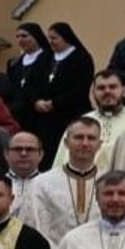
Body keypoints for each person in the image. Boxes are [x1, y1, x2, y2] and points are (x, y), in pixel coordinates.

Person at [24, 118, 103, 247]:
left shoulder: (109, 182)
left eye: (91, 138)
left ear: (99, 144)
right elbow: (35, 226)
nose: (85, 143)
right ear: (66, 142)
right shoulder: (41, 184)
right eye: (78, 137)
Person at [52, 69, 125, 174]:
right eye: (101, 88)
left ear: (123, 91)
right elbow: (60, 166)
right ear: (93, 93)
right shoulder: (79, 124)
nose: (107, 91)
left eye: (112, 87)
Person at [30, 23, 95, 160]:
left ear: (65, 37)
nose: (51, 42)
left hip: (70, 114)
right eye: (49, 38)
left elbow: (81, 88)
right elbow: (32, 83)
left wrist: (55, 103)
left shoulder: (82, 58)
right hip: (44, 117)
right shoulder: (44, 58)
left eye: (54, 38)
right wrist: (36, 101)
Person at [5, 24, 54, 146]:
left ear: (36, 36)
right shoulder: (14, 63)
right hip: (20, 114)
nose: (20, 40)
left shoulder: (50, 58)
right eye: (17, 36)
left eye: (24, 36)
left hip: (40, 114)